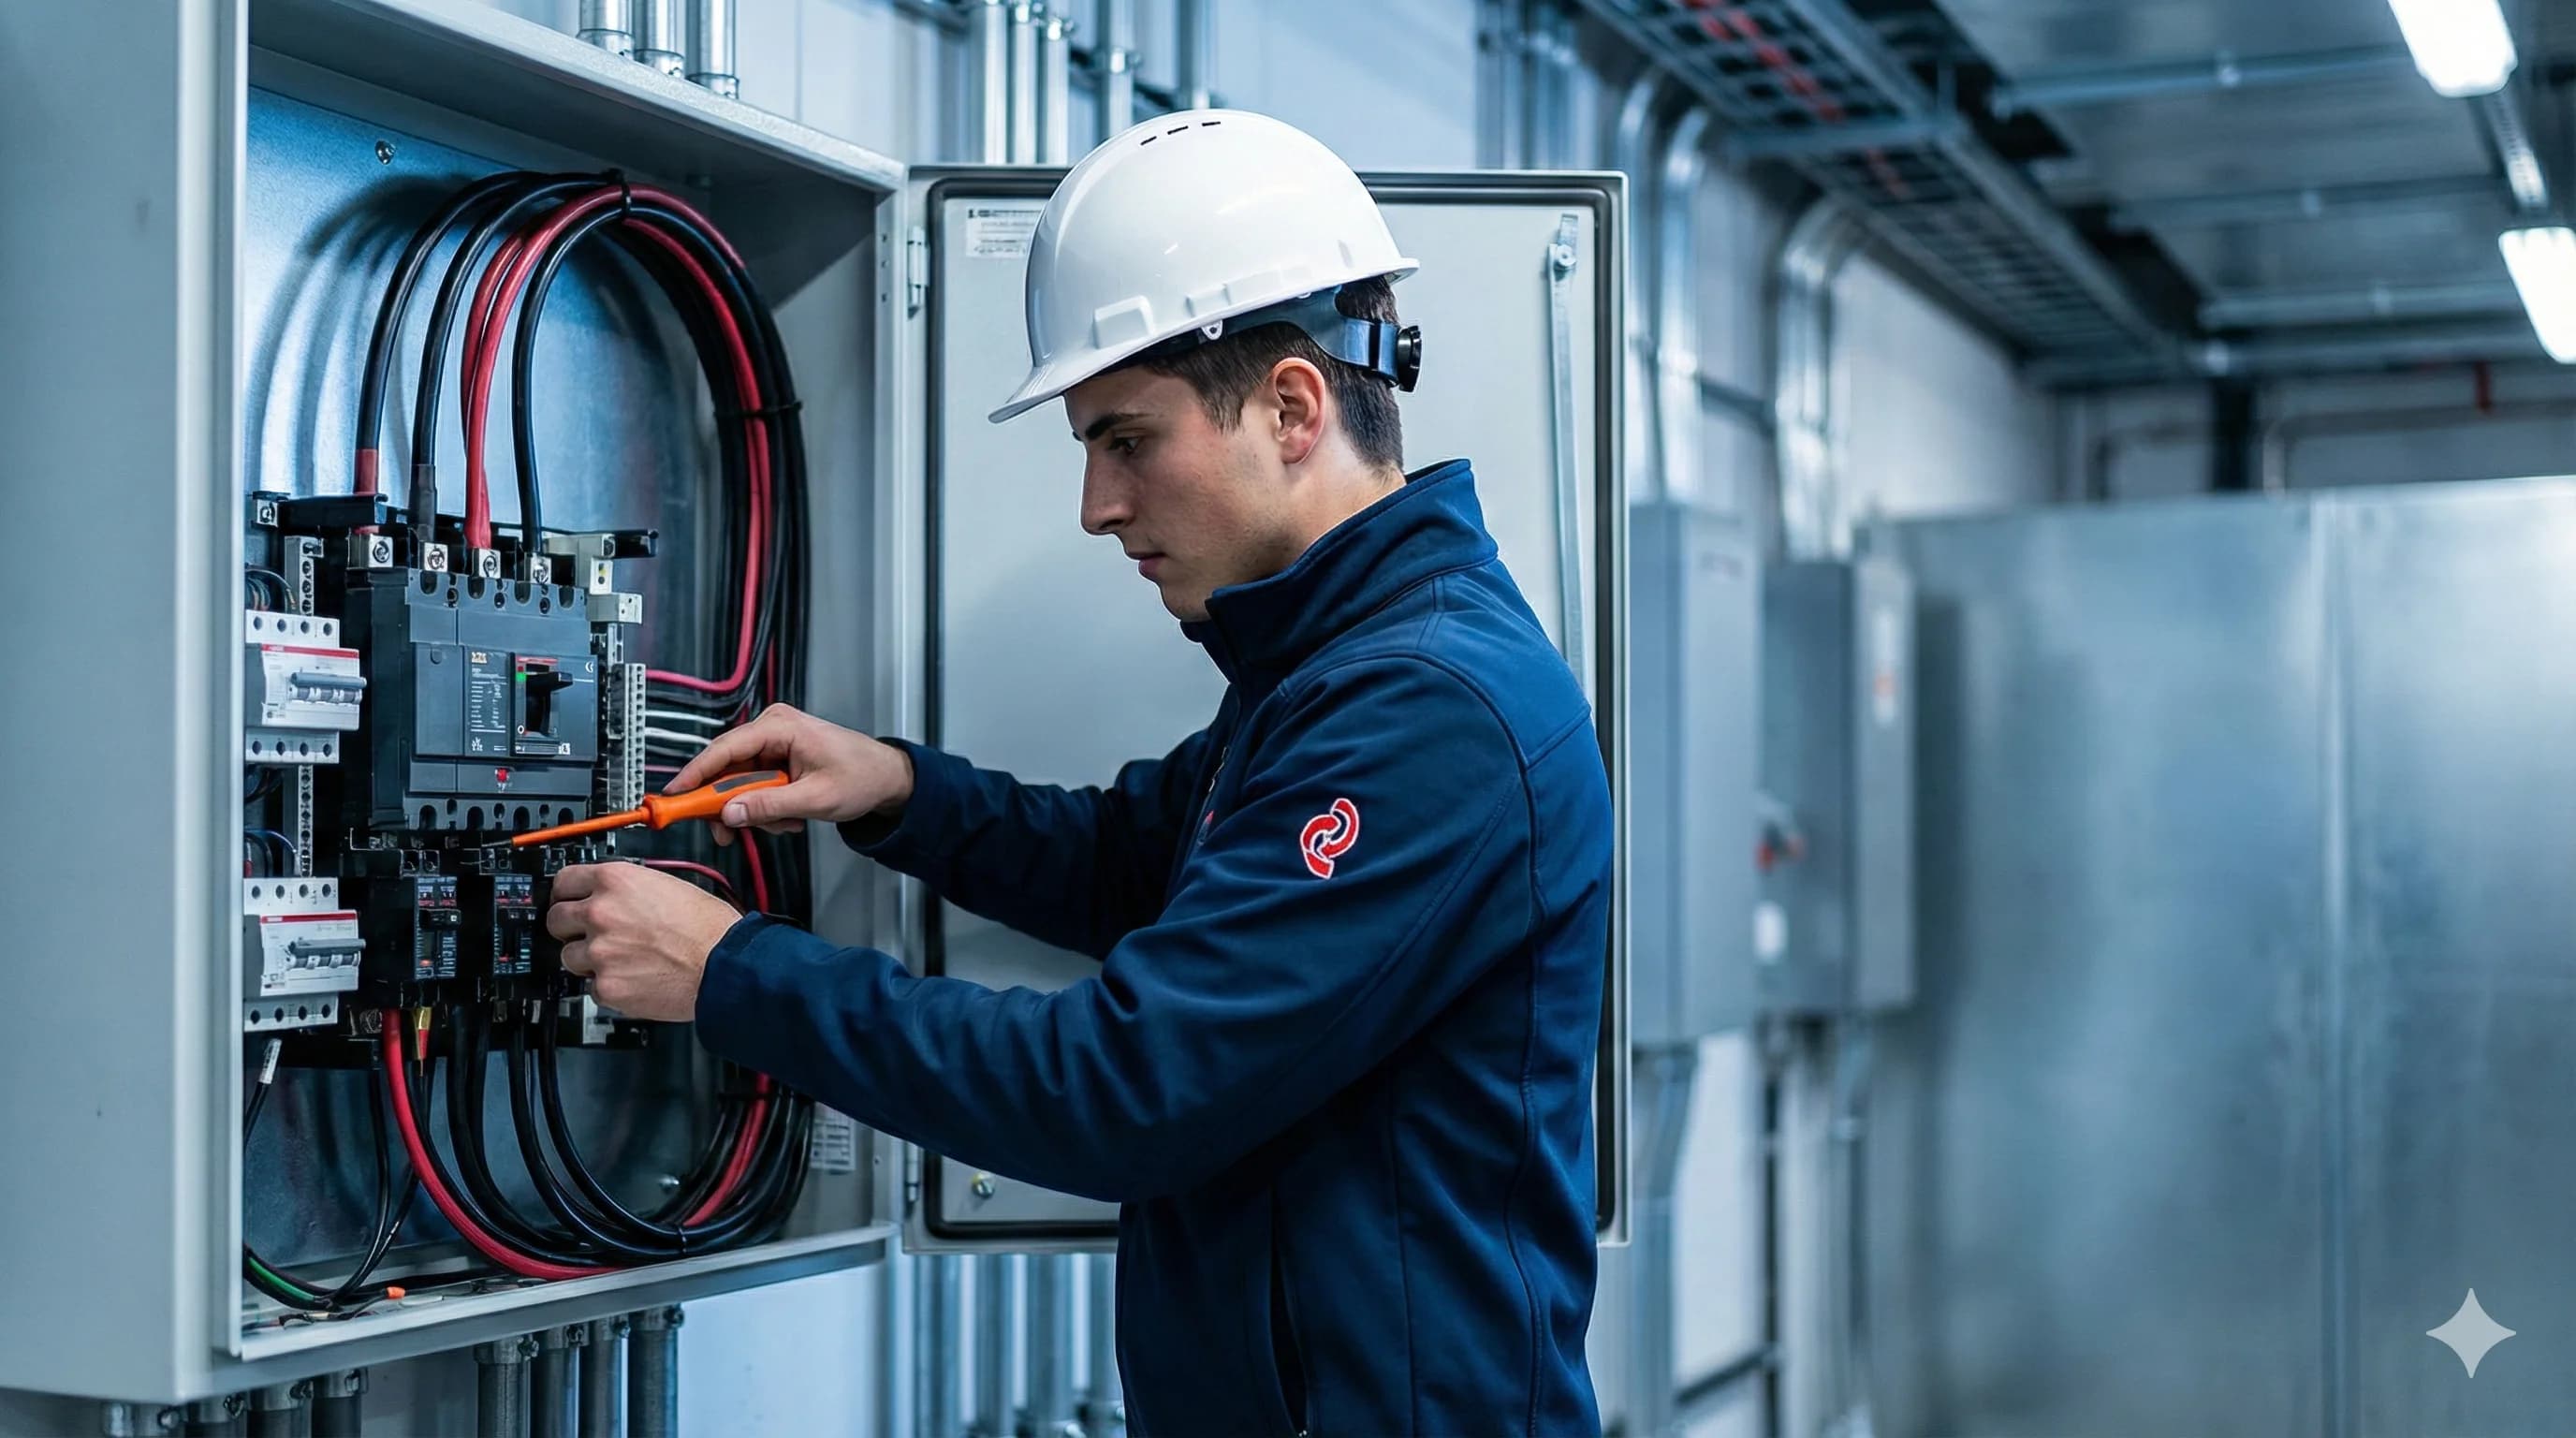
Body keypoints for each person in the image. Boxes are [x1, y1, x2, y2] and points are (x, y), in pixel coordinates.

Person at [546, 110, 1613, 1437]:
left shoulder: (1421, 709)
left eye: (1127, 440)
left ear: (1292, 406)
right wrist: (893, 789)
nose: (1098, 507)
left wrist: (732, 974)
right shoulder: (1334, 667)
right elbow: (1131, 860)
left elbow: (1124, 1089)